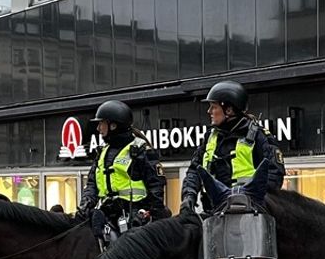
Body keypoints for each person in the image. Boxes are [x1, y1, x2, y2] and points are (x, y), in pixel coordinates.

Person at [179, 80, 285, 214]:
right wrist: (189, 195)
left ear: (229, 110)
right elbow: (195, 170)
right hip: (213, 214)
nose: (209, 111)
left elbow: (274, 175)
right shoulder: (210, 136)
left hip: (248, 215)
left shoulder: (258, 136)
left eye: (214, 107)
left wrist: (252, 201)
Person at [80, 100, 169, 241]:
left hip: (135, 215)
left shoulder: (141, 151)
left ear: (113, 125)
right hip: (107, 213)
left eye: (101, 123)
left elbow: (156, 186)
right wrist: (86, 203)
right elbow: (92, 184)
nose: (98, 128)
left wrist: (151, 214)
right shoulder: (102, 153)